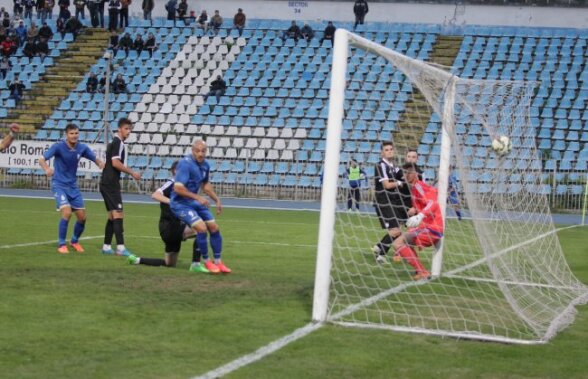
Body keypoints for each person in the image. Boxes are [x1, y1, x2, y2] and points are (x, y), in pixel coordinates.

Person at [127, 161, 208, 273]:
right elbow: (155, 195)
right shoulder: (172, 183)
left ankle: (137, 260)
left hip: (171, 228)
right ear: (176, 171)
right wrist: (172, 202)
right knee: (202, 229)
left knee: (169, 264)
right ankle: (196, 264)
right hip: (170, 227)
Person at [39, 124, 105, 254]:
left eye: (76, 133)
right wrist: (46, 168)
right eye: (72, 133)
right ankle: (61, 244)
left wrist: (101, 164)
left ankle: (74, 241)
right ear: (66, 135)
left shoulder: (82, 148)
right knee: (67, 213)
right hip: (59, 185)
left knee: (82, 217)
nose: (74, 136)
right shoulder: (58, 147)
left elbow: (95, 159)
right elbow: (41, 159)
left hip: (73, 187)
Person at [170, 140, 231, 274]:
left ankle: (218, 262)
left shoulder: (205, 165)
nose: (200, 153)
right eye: (198, 151)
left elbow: (205, 185)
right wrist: (198, 197)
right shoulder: (185, 164)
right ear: (192, 151)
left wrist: (217, 199)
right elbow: (178, 188)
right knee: (202, 228)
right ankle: (206, 261)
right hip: (180, 203)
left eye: (203, 151)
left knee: (214, 227)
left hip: (193, 202)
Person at [391, 162, 445, 280]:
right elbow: (430, 195)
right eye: (405, 173)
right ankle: (420, 271)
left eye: (409, 172)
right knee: (401, 242)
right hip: (428, 227)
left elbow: (432, 203)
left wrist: (419, 216)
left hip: (432, 228)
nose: (407, 175)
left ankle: (422, 271)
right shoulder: (415, 188)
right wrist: (415, 209)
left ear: (415, 173)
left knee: (398, 243)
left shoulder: (418, 186)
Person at [99, 118, 141, 257]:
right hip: (110, 183)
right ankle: (121, 248)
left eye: (130, 129)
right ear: (119, 129)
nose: (128, 132)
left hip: (107, 182)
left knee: (112, 216)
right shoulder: (118, 143)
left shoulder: (114, 142)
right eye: (126, 129)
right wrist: (132, 172)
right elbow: (115, 163)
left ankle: (106, 247)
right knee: (118, 213)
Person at [372, 141, 413, 263]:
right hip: (383, 201)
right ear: (382, 153)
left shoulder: (394, 166)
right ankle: (380, 253)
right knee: (395, 230)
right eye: (386, 149)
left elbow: (405, 178)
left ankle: (379, 247)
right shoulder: (380, 166)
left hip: (393, 201)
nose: (389, 151)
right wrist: (399, 183)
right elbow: (386, 185)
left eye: (391, 149)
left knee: (399, 228)